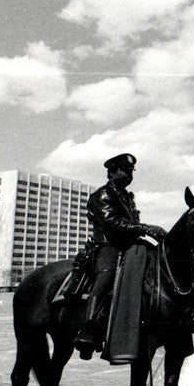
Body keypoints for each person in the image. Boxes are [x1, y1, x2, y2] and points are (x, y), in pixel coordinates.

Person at [74, 153, 166, 359]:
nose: (129, 175)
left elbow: (131, 224)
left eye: (131, 172)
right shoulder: (102, 195)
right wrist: (146, 228)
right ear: (112, 172)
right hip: (108, 246)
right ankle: (88, 330)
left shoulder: (127, 197)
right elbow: (112, 223)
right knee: (106, 278)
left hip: (129, 245)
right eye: (125, 171)